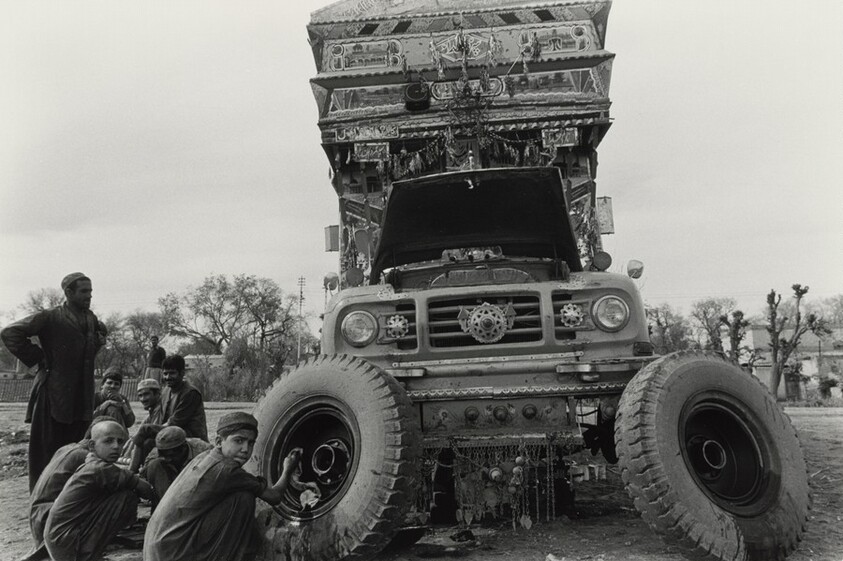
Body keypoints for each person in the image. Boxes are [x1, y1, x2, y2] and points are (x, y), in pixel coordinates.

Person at [143, 412, 306, 561]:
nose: (245, 449)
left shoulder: (204, 456)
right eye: (238, 441)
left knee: (239, 495)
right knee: (244, 498)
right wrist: (287, 469)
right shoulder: (227, 470)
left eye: (250, 443)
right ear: (219, 441)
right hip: (173, 553)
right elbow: (274, 497)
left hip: (156, 547)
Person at [0, 272, 108, 490]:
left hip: (81, 395)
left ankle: (70, 498)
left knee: (77, 449)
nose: (89, 296)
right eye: (84, 291)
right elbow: (10, 332)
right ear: (68, 292)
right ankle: (41, 500)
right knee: (46, 450)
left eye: (91, 292)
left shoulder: (90, 319)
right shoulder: (50, 316)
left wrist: (98, 342)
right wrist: (38, 357)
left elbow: (88, 349)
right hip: (53, 393)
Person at [44, 420, 154, 561]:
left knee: (119, 492)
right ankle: (87, 556)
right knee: (126, 497)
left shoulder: (91, 462)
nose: (116, 447)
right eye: (108, 441)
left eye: (120, 442)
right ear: (92, 445)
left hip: (58, 536)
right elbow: (144, 489)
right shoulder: (100, 469)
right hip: (66, 540)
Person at [25, 416, 115, 561]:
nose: (116, 446)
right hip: (51, 522)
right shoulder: (85, 457)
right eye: (109, 440)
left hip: (38, 517)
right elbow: (114, 477)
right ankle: (85, 554)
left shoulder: (68, 448)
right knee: (119, 498)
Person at [141, 426, 212, 505]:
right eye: (165, 455)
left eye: (171, 456)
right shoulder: (154, 455)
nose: (168, 459)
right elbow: (145, 478)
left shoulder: (204, 451)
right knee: (154, 465)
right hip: (169, 489)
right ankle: (166, 505)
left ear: (184, 448)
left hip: (197, 490)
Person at [160, 354, 208, 441]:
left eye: (172, 373)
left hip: (191, 440)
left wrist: (151, 431)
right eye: (165, 373)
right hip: (171, 435)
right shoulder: (165, 392)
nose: (167, 377)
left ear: (182, 373)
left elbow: (175, 423)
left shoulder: (190, 393)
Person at [127, 378, 165, 473]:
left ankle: (132, 472)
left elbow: (151, 431)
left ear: (157, 394)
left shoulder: (161, 408)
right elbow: (142, 428)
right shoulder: (152, 409)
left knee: (147, 442)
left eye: (146, 394)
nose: (143, 399)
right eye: (140, 396)